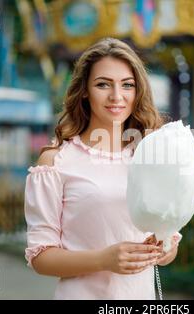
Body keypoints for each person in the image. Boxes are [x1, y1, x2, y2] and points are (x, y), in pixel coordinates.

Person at [24, 38, 182, 300]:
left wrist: (164, 251)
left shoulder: (150, 157)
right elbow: (40, 256)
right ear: (85, 90)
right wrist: (103, 260)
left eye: (127, 85)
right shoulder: (55, 162)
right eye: (103, 84)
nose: (116, 96)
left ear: (137, 91)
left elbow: (170, 242)